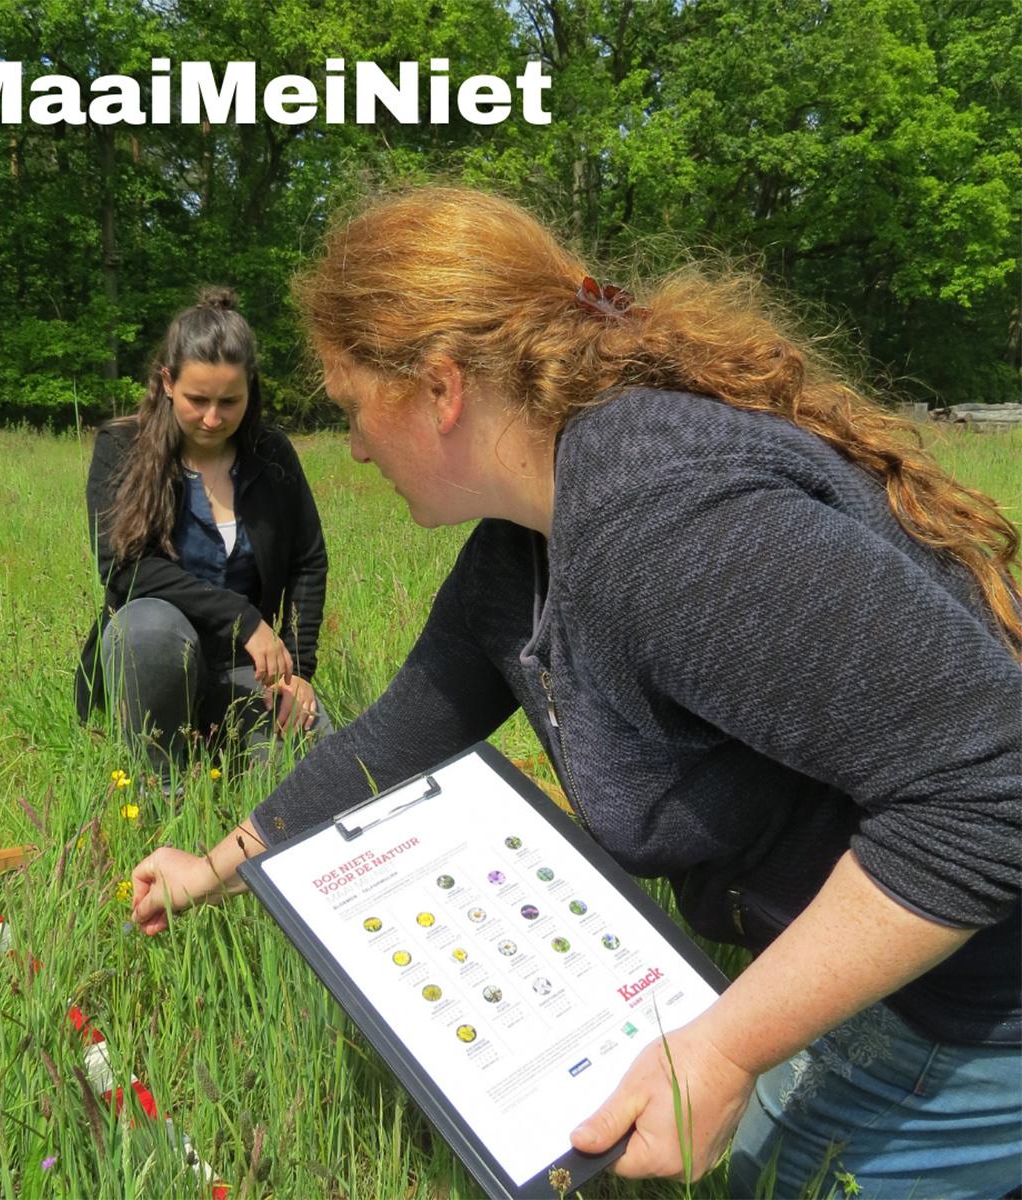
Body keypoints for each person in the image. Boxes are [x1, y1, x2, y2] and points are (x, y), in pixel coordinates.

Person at [127, 190, 1021, 1197]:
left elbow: (989, 796)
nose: (359, 449)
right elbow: (396, 734)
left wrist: (725, 1048)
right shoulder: (528, 542)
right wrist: (217, 866)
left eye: (352, 408)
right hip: (877, 965)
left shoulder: (665, 526)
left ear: (439, 388)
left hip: (978, 1000)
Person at [76, 286, 331, 783]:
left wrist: (298, 669)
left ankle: (225, 752)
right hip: (158, 660)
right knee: (147, 628)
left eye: (229, 401)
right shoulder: (121, 448)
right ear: (167, 382)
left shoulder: (272, 454)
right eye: (197, 400)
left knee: (314, 777)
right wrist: (245, 618)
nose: (213, 418)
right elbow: (124, 568)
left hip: (246, 672)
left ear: (250, 389)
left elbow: (307, 561)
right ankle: (162, 785)